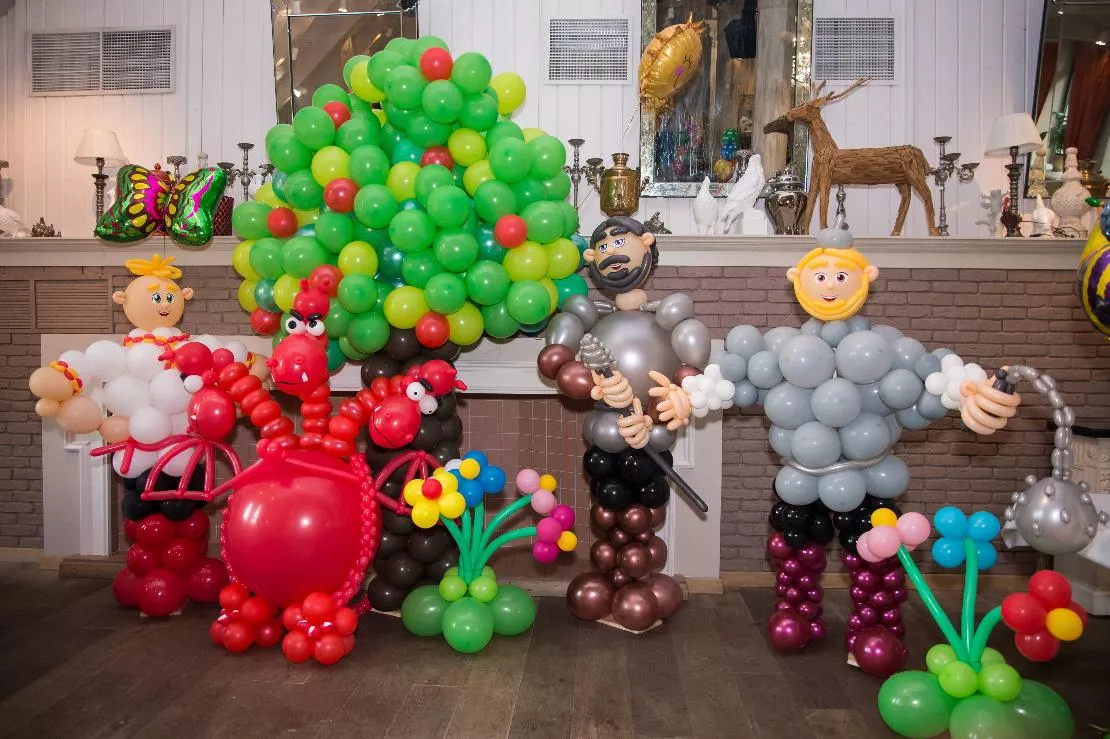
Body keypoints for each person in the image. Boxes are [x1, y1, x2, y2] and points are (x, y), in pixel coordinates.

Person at [658, 227, 1022, 653]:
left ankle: (876, 627)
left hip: (868, 476)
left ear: (866, 278)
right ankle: (797, 613)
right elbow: (733, 382)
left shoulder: (890, 348)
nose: (830, 286)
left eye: (841, 276)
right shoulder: (780, 348)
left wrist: (973, 395)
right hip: (801, 478)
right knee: (796, 550)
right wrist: (690, 398)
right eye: (820, 276)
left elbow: (935, 384)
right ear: (798, 281)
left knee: (876, 554)